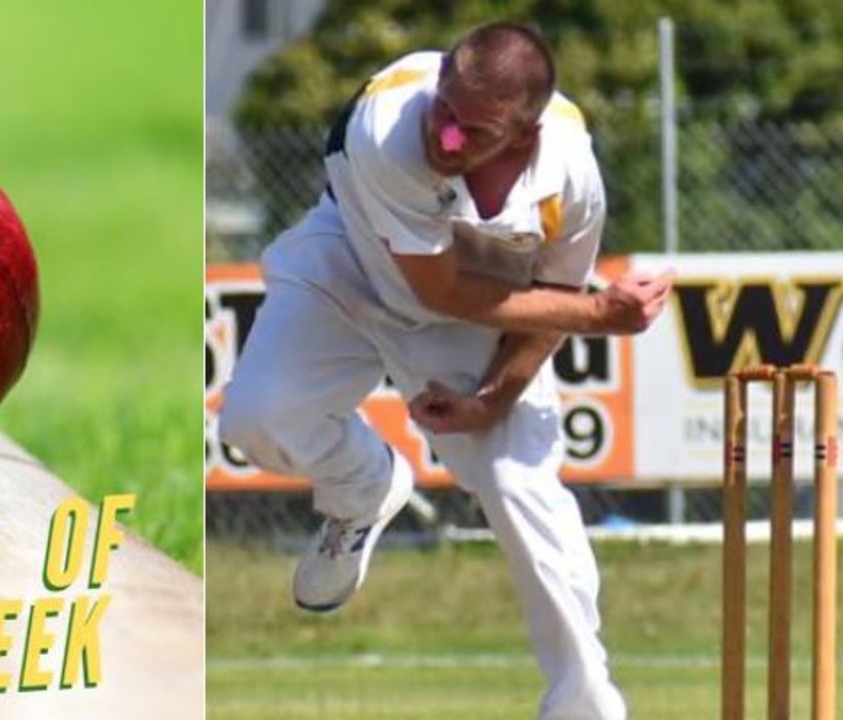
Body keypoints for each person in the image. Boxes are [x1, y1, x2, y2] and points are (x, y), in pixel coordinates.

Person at [219, 21, 674, 720]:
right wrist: (601, 317)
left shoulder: (570, 178)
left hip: (476, 300)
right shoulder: (388, 125)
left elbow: (552, 302)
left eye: (476, 131)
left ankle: (584, 706)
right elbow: (436, 288)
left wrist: (495, 397)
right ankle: (362, 486)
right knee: (254, 419)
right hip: (351, 259)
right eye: (446, 109)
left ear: (522, 137)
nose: (447, 137)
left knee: (517, 480)